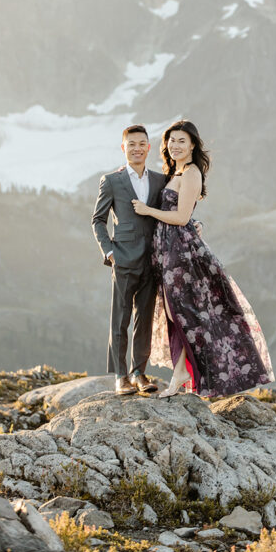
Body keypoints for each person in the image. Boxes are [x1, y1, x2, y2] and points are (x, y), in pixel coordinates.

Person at [132, 120, 274, 398]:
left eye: (181, 141)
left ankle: (183, 374)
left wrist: (148, 211)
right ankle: (184, 371)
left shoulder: (192, 172)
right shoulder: (177, 171)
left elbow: (181, 217)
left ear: (193, 145)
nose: (175, 145)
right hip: (168, 249)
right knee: (176, 312)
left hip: (182, 252)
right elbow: (185, 213)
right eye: (171, 140)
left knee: (182, 311)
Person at [91, 124, 166, 395]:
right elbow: (97, 220)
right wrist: (109, 252)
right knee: (120, 319)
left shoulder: (160, 180)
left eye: (141, 144)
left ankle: (139, 373)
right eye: (131, 144)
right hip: (122, 259)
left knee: (144, 319)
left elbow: (172, 211)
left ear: (148, 147)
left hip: (152, 259)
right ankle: (120, 376)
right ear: (123, 148)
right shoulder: (111, 181)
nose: (136, 148)